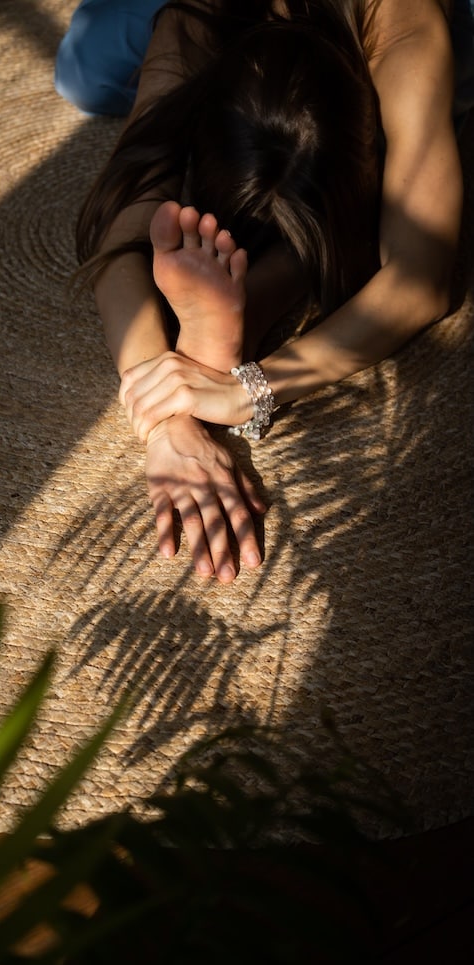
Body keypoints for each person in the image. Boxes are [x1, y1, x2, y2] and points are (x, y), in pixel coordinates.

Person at [55, 1, 469, 583]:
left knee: (450, 102)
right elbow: (124, 229)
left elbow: (421, 279)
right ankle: (276, 263)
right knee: (84, 75)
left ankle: (275, 268)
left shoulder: (404, 26)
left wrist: (249, 391)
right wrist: (166, 409)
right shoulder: (194, 17)